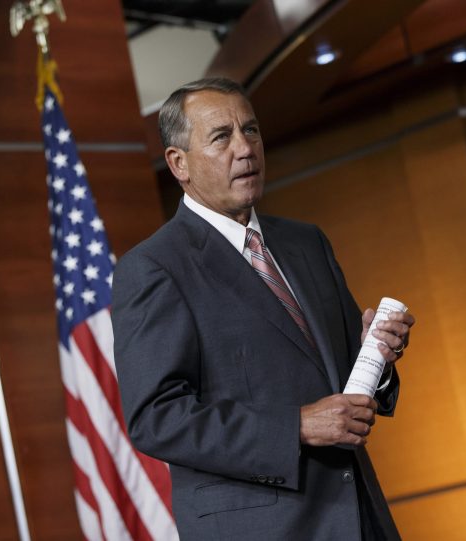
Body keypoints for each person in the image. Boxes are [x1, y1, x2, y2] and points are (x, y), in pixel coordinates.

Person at [112, 77, 415, 541]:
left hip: (360, 519)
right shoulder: (154, 268)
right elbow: (157, 418)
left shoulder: (306, 242)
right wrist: (294, 426)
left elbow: (344, 388)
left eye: (250, 130)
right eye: (221, 137)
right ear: (179, 164)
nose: (245, 148)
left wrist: (378, 358)